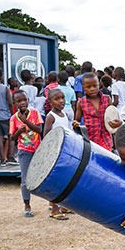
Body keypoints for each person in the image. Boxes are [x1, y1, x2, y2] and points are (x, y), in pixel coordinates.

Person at [44, 89, 80, 220]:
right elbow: (46, 136)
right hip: (55, 154)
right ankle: (54, 209)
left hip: (64, 152)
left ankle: (63, 205)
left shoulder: (63, 114)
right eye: (57, 99)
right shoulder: (51, 116)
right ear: (50, 102)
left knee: (65, 179)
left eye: (62, 98)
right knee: (56, 181)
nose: (61, 101)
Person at [10, 90, 43, 217]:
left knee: (46, 175)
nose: (22, 103)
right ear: (14, 103)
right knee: (25, 179)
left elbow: (40, 130)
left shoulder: (35, 113)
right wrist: (19, 131)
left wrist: (27, 122)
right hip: (24, 150)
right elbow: (12, 137)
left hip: (38, 149)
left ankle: (53, 203)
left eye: (24, 100)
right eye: (19, 101)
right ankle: (27, 204)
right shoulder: (13, 118)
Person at [75, 73, 121, 151]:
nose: (92, 89)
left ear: (99, 84)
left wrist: (117, 123)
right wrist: (76, 124)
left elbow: (113, 117)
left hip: (106, 140)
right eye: (88, 87)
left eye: (95, 86)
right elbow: (77, 120)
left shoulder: (107, 99)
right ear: (83, 87)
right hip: (90, 140)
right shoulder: (81, 102)